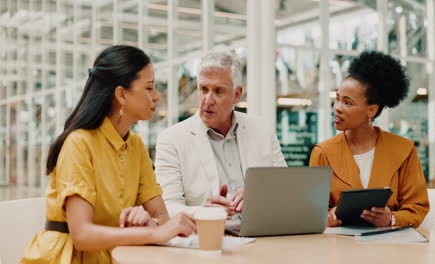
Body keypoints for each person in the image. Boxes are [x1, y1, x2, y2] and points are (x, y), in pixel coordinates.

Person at [21, 45, 195, 264]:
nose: (157, 96)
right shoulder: (79, 143)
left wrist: (149, 223)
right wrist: (151, 234)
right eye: (149, 88)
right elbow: (82, 236)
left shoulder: (136, 145)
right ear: (122, 94)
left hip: (114, 255)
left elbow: (161, 216)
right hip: (67, 258)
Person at [155, 52, 286, 222]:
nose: (207, 100)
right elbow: (167, 208)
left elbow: (285, 188)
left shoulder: (261, 129)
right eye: (203, 89)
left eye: (218, 91)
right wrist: (205, 213)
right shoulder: (172, 139)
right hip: (209, 238)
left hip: (263, 232)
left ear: (237, 95)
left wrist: (259, 194)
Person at [309, 51, 429, 227]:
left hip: (392, 247)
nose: (337, 108)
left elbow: (417, 207)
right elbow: (312, 209)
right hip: (338, 248)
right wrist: (327, 217)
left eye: (347, 103)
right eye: (337, 99)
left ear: (371, 110)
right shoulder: (323, 153)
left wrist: (392, 219)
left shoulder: (403, 150)